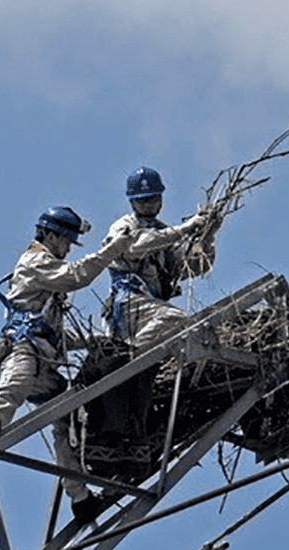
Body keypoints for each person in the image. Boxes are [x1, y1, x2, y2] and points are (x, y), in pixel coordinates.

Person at [0, 205, 131, 524]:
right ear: (49, 235)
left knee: (68, 418)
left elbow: (56, 333)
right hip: (24, 348)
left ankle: (79, 495)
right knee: (14, 383)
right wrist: (112, 250)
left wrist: (91, 341)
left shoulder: (46, 279)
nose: (66, 250)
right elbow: (78, 276)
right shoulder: (35, 261)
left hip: (45, 362)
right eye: (65, 242)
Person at [88, 167, 222, 447]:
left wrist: (207, 236)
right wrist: (186, 228)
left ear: (161, 197)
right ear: (131, 202)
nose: (148, 204)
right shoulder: (124, 226)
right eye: (142, 200)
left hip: (150, 308)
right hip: (130, 306)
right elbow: (136, 247)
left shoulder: (164, 232)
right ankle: (133, 358)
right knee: (175, 319)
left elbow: (194, 266)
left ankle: (130, 412)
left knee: (142, 380)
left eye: (152, 198)